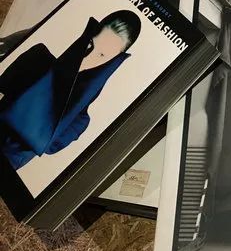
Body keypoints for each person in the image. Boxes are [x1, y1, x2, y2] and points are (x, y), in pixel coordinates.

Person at [0, 10, 141, 170]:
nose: (87, 57)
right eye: (90, 45)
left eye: (102, 55)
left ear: (111, 62)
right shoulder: (37, 58)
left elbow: (47, 146)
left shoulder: (77, 121)